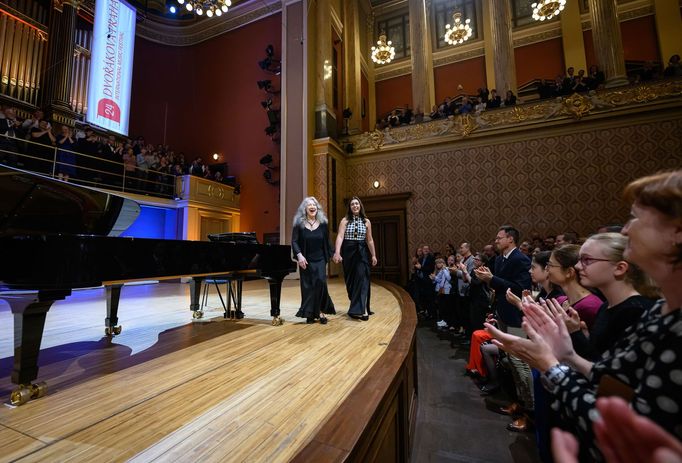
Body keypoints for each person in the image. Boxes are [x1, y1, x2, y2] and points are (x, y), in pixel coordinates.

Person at [485, 170, 682, 461]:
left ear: (677, 233)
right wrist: (569, 353)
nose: (626, 229)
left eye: (637, 217)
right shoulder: (662, 311)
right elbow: (613, 379)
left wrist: (550, 365)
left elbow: (631, 426)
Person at [291, 197, 335, 324]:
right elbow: (294, 241)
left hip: (320, 259)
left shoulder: (322, 224)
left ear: (317, 208)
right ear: (304, 209)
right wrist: (299, 255)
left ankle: (320, 310)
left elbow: (327, 241)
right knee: (308, 286)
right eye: (309, 205)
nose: (312, 206)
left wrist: (334, 254)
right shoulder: (299, 224)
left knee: (320, 282)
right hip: (305, 260)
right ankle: (310, 313)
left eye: (314, 204)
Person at [333, 196, 378, 321]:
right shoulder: (345, 220)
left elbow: (369, 239)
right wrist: (337, 252)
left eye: (357, 204)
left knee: (362, 277)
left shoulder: (367, 221)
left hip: (362, 251)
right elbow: (340, 237)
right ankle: (355, 307)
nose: (355, 206)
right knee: (351, 281)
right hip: (348, 251)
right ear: (350, 207)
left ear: (360, 206)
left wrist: (373, 255)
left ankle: (362, 310)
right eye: (352, 204)